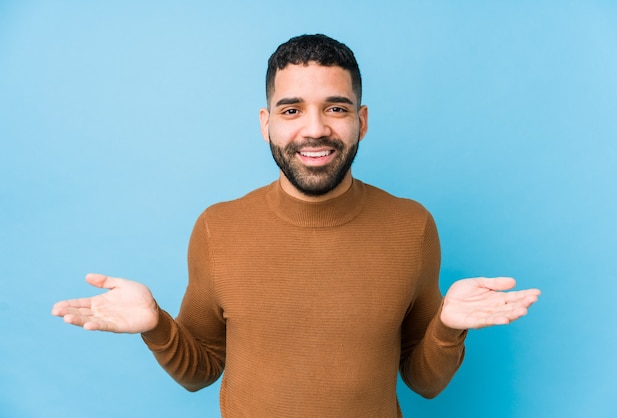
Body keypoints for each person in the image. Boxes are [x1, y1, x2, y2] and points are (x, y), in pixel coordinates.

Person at [52, 34, 541, 417]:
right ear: (266, 123)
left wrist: (448, 328)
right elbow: (200, 371)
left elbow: (424, 382)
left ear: (361, 121)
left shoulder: (411, 227)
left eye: (336, 107)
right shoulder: (217, 228)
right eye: (292, 110)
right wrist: (157, 325)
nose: (314, 129)